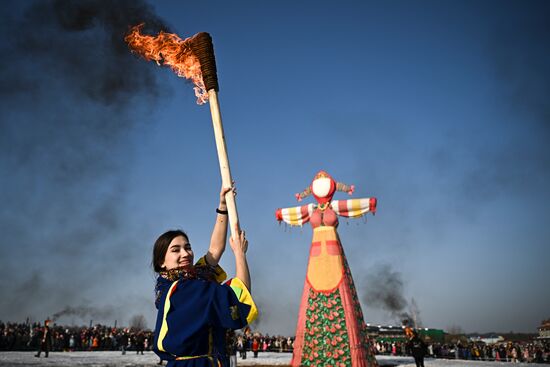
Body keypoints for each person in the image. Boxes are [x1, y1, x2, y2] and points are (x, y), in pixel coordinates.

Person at [152, 185, 257, 367]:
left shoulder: (184, 280)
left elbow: (215, 251)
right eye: (176, 250)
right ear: (162, 261)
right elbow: (240, 297)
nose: (186, 253)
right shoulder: (185, 289)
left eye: (188, 247)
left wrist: (223, 206)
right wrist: (240, 254)